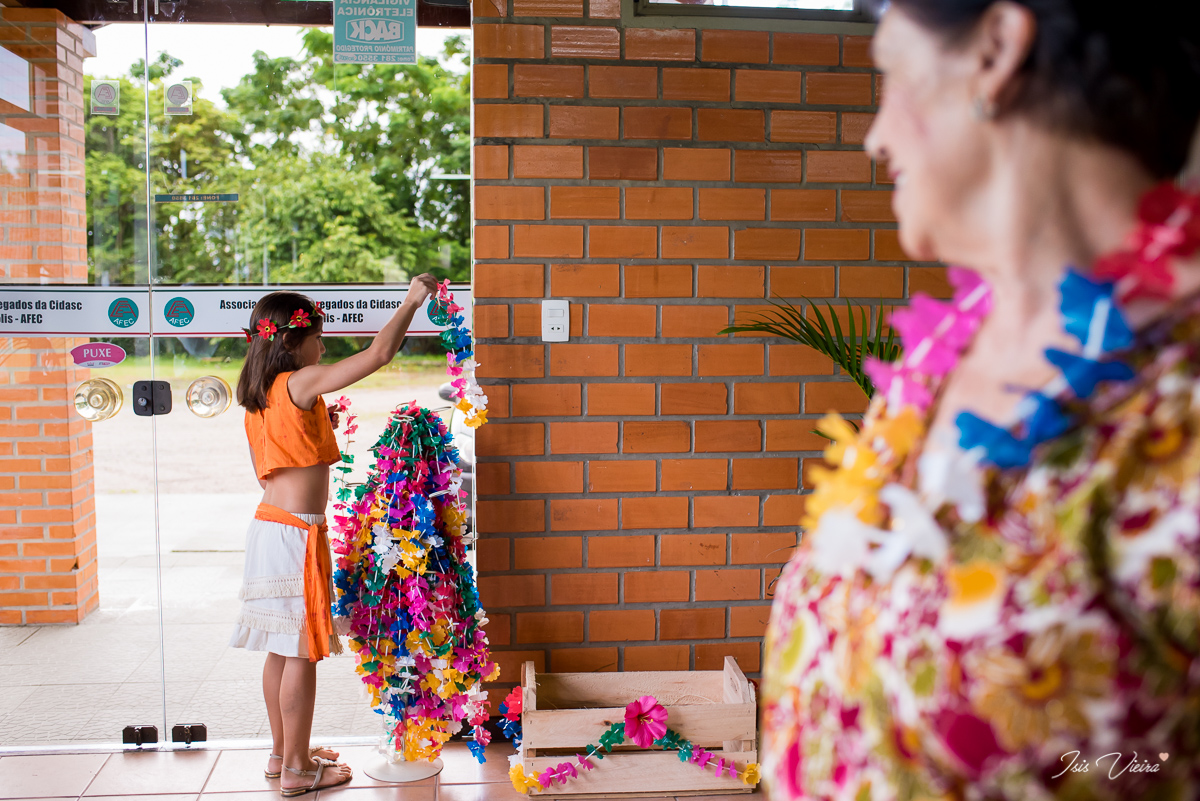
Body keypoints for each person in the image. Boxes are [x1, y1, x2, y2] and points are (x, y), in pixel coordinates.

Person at [761, 2, 1200, 799]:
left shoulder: (1183, 400)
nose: (875, 135)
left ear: (997, 50)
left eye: (890, 73)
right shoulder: (942, 353)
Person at [229, 274, 438, 797]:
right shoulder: (297, 383)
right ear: (292, 341)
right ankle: (299, 770)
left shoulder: (259, 390)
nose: (322, 347)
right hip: (294, 535)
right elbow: (378, 355)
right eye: (318, 337)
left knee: (281, 651)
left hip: (271, 530)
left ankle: (285, 756)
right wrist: (412, 300)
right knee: (300, 652)